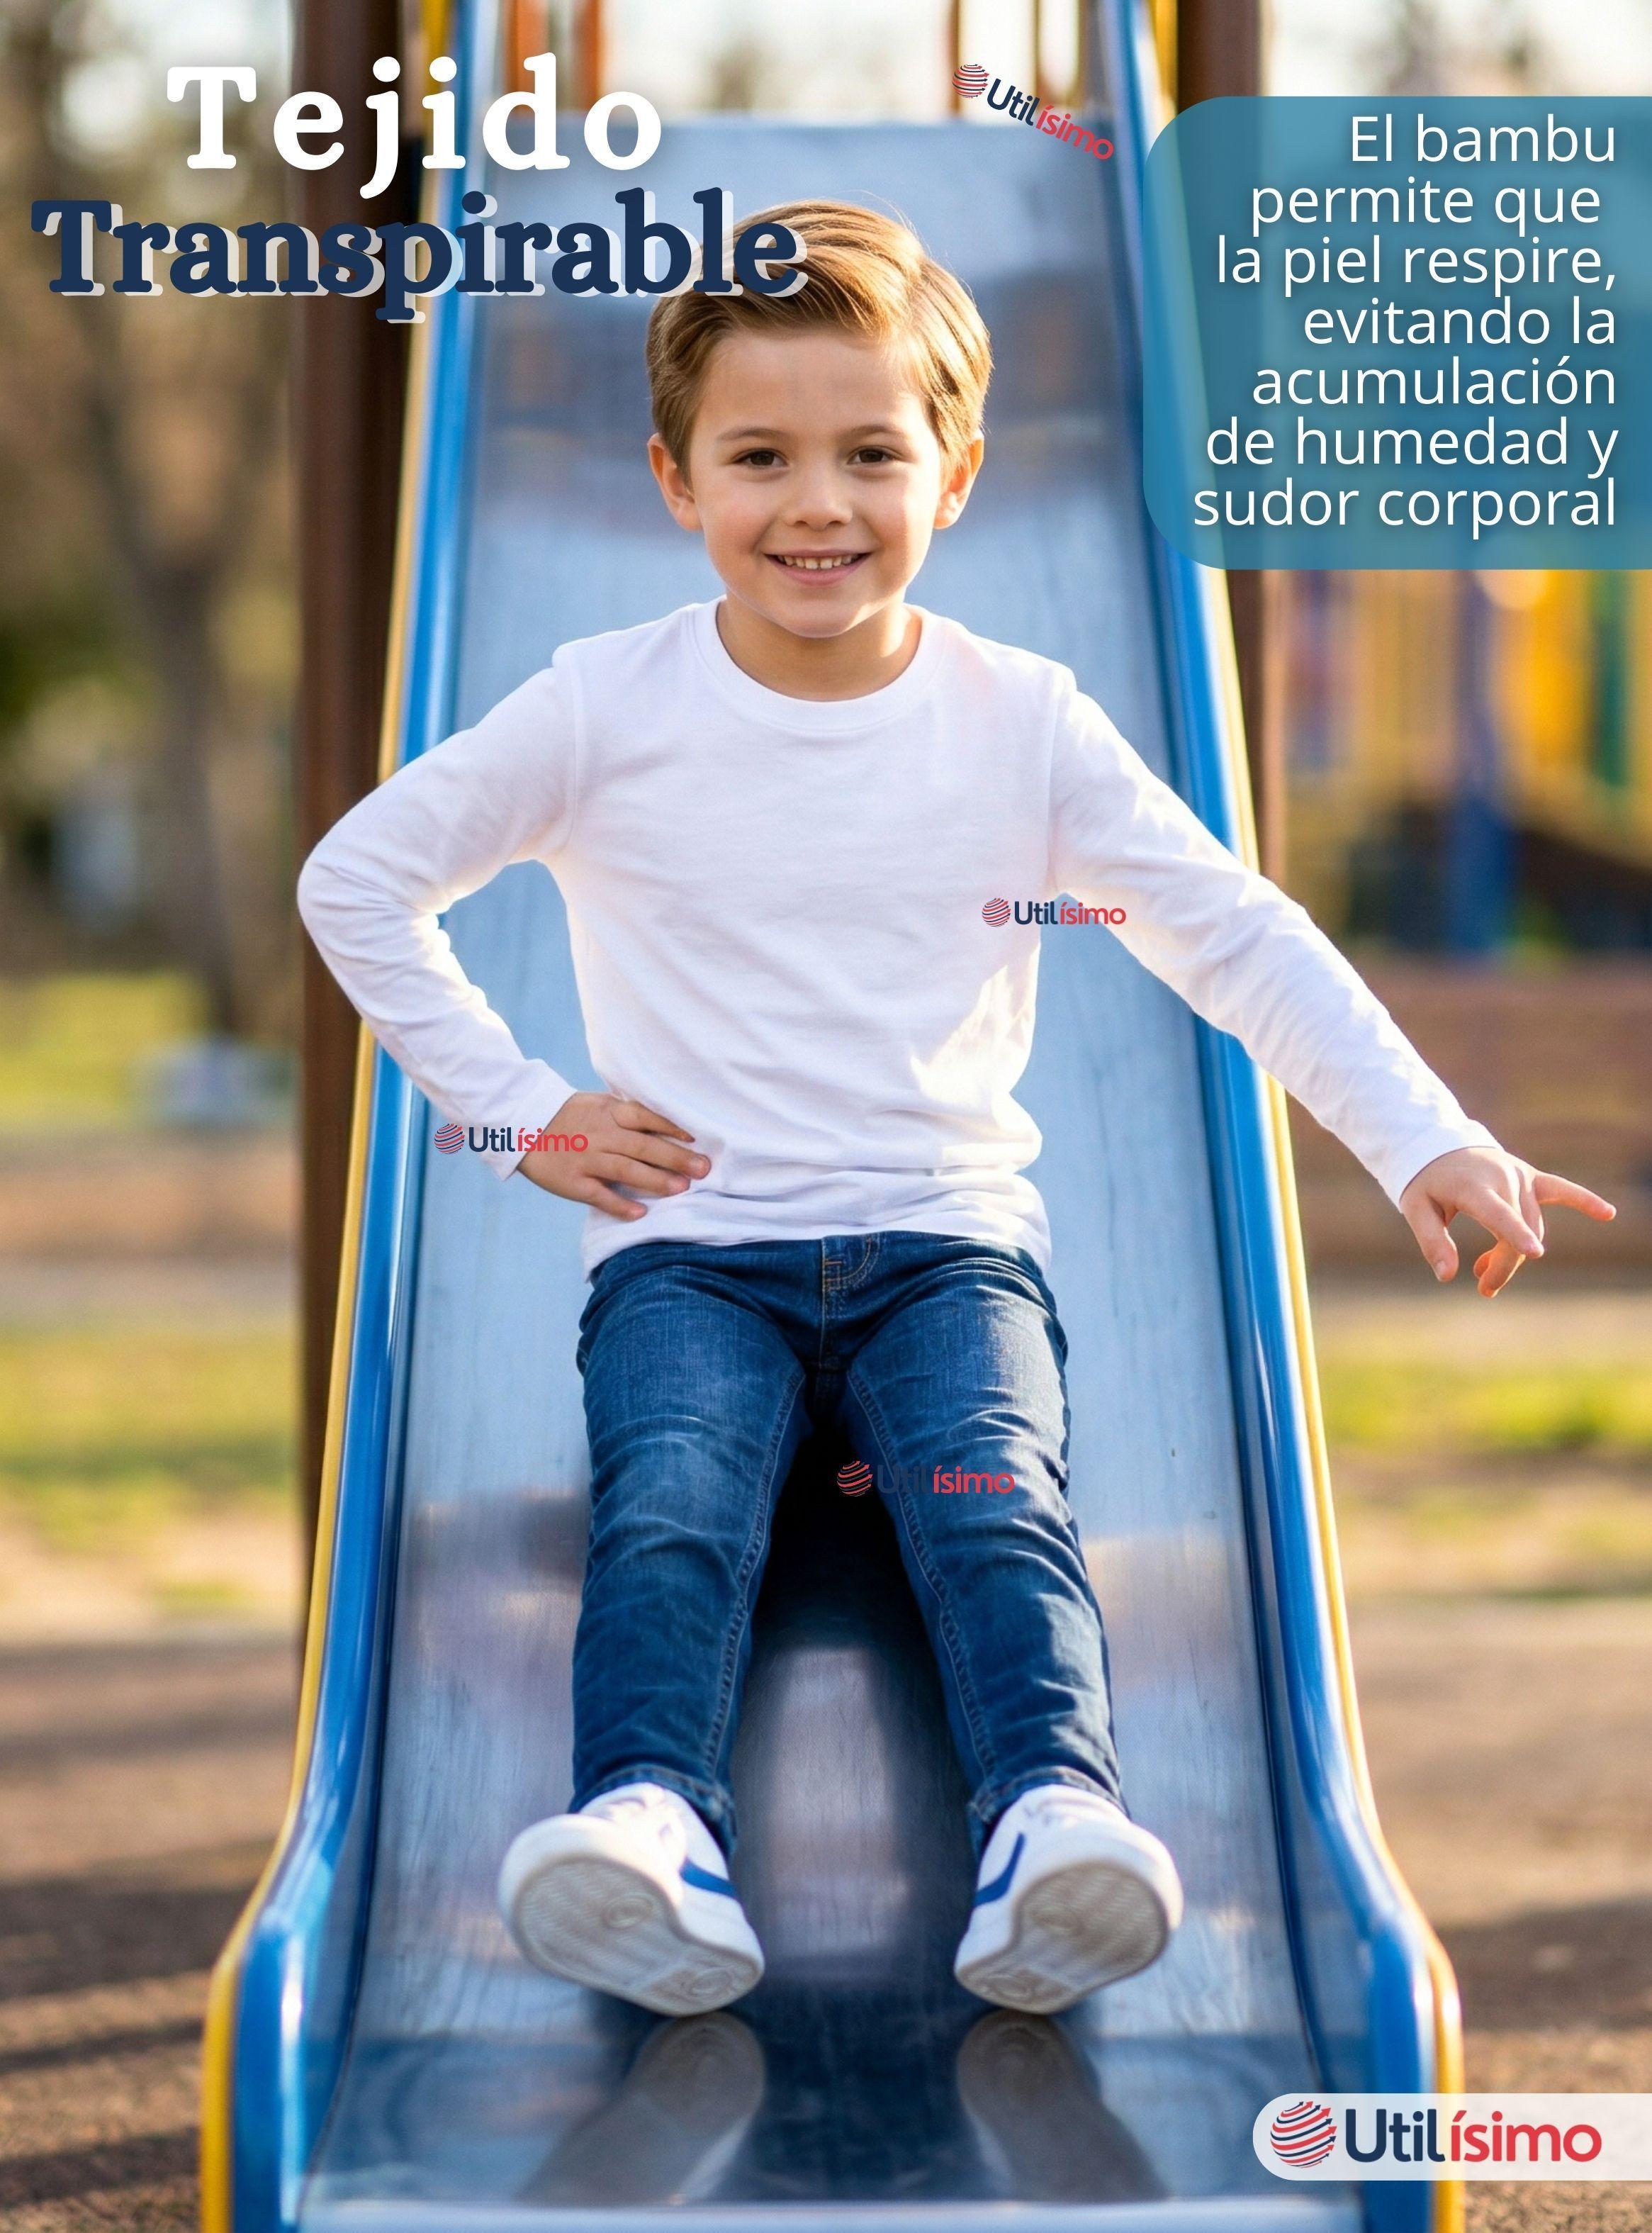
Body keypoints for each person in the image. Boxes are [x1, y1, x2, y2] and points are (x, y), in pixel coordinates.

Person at [296, 199, 1615, 2022]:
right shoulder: (604, 707)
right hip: (693, 1252)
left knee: (994, 1501)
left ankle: (1051, 1822)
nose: (815, 503)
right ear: (676, 480)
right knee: (669, 1506)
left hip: (945, 1246)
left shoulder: (1023, 721)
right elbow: (359, 880)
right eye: (758, 457)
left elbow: (1232, 934)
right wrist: (520, 1113)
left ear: (956, 472)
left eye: (870, 453)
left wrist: (1421, 1134)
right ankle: (651, 1828)